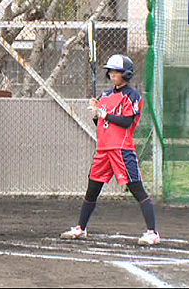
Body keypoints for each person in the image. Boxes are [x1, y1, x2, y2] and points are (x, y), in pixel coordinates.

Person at [60, 54, 160, 245]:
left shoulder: (133, 96)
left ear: (126, 74)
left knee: (137, 189)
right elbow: (101, 123)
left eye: (117, 71)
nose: (112, 73)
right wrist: (95, 113)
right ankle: (81, 228)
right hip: (103, 149)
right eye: (111, 70)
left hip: (122, 149)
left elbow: (127, 121)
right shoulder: (105, 96)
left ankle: (152, 232)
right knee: (92, 190)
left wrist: (105, 114)